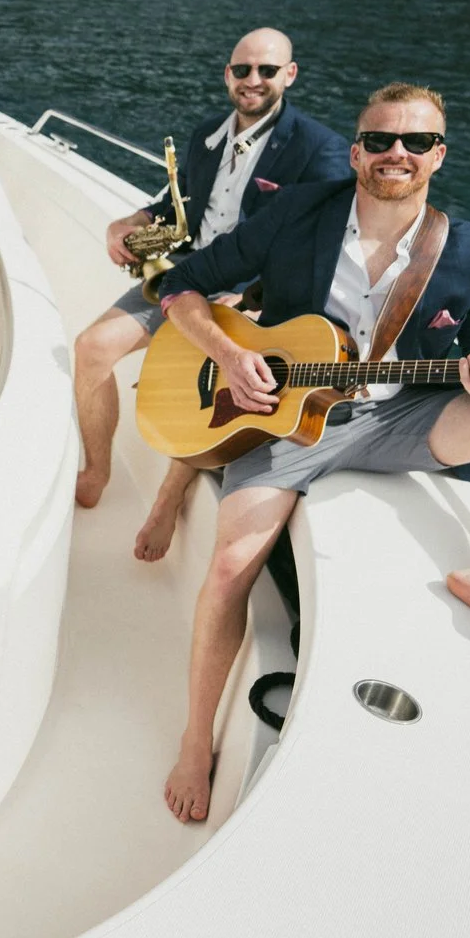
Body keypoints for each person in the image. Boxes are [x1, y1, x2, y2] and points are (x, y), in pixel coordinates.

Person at [152, 84, 470, 822]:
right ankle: (196, 738)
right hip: (280, 417)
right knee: (230, 565)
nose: (399, 153)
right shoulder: (299, 210)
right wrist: (228, 357)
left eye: (418, 142)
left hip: (396, 416)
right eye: (382, 139)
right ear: (357, 149)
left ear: (440, 155)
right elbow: (183, 287)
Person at [70, 28, 350, 564]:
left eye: (267, 71)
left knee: (217, 383)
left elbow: (328, 235)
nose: (253, 81)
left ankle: (167, 499)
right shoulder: (204, 137)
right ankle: (98, 469)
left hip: (254, 295)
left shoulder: (320, 150)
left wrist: (267, 300)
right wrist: (132, 222)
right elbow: (178, 211)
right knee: (92, 348)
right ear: (228, 75)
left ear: (288, 76)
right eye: (242, 70)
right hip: (187, 278)